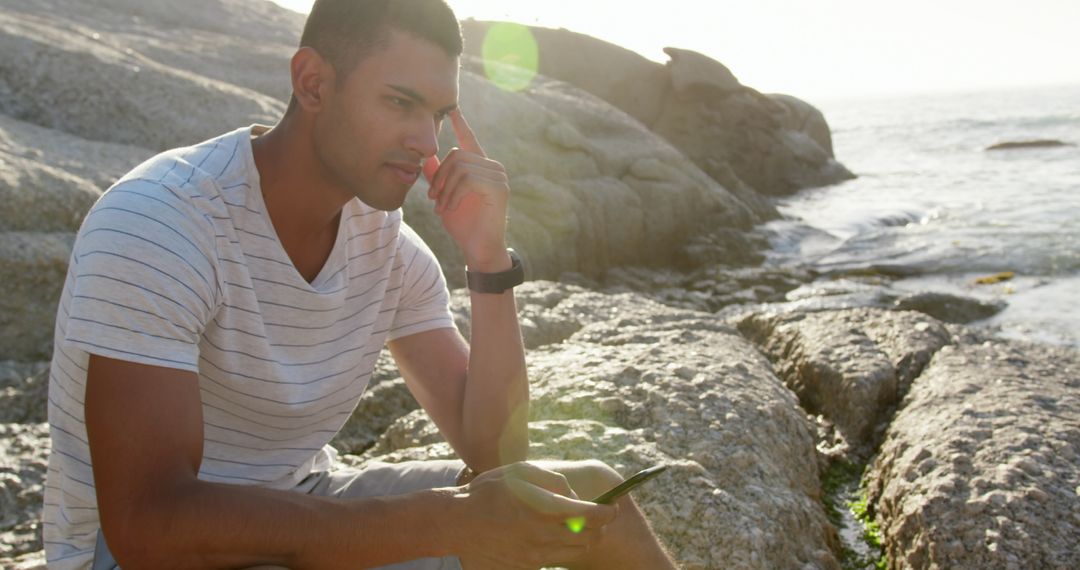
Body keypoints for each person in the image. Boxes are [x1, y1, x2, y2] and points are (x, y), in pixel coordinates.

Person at [42, 0, 678, 568]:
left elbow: (497, 453)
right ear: (313, 82)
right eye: (400, 103)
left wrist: (488, 261)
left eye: (439, 114)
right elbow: (149, 529)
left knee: (588, 497)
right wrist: (448, 520)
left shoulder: (390, 249)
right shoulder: (162, 223)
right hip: (149, 552)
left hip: (305, 505)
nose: (424, 142)